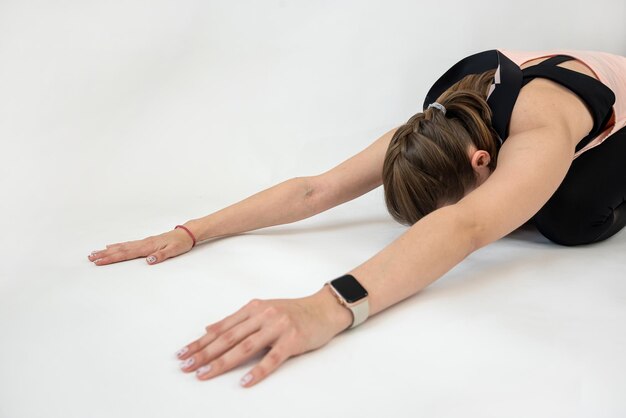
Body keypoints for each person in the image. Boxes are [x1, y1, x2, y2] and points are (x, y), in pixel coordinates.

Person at [87, 48, 626, 388]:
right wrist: (190, 232)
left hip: (602, 118)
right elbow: (313, 189)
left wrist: (326, 308)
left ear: (482, 159)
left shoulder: (542, 128)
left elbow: (467, 227)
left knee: (567, 219)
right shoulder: (440, 122)